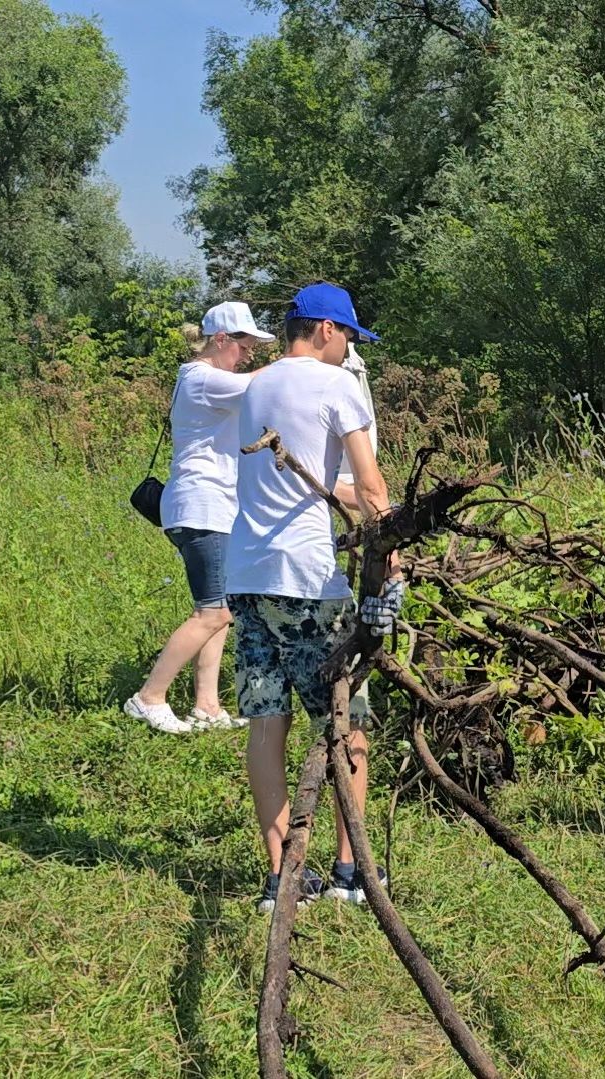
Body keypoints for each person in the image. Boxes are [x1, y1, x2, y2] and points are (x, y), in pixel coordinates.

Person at [224, 283, 404, 913]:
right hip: (307, 582)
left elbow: (312, 479)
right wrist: (394, 571)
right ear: (327, 328)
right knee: (346, 724)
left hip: (245, 577)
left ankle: (282, 879)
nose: (350, 349)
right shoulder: (338, 386)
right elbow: (372, 482)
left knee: (266, 723)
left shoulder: (256, 387)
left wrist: (351, 496)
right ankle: (351, 870)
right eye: (349, 335)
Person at [124, 302, 274, 735]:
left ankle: (207, 706)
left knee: (221, 609)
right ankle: (149, 697)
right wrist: (297, 365)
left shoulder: (206, 379)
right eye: (245, 345)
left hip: (211, 507)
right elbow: (256, 388)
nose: (249, 355)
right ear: (222, 340)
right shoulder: (203, 379)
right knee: (212, 612)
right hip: (202, 506)